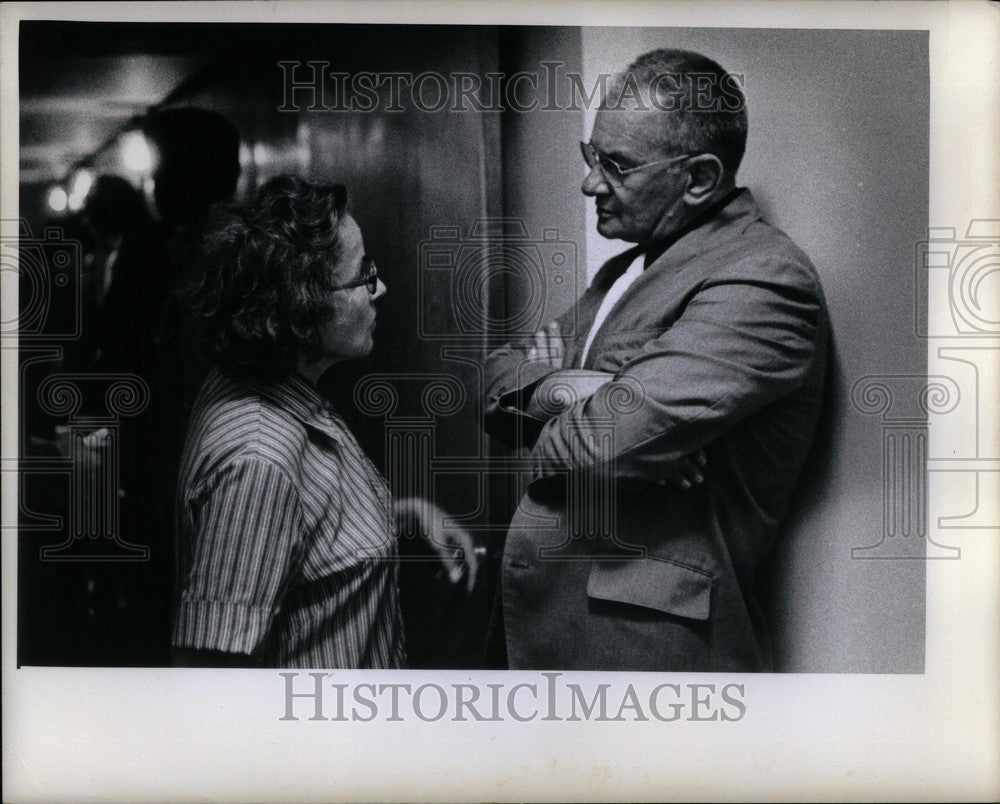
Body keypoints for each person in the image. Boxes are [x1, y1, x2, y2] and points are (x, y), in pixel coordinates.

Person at [484, 48, 830, 671]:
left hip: (652, 657)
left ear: (698, 178)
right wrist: (562, 391)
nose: (591, 183)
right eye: (592, 157)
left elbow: (607, 443)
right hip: (571, 636)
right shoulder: (627, 267)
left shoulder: (765, 279)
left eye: (615, 166)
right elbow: (497, 375)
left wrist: (592, 409)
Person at [172, 176, 474, 668]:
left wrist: (404, 514)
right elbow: (212, 679)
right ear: (303, 302)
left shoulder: (273, 384)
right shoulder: (261, 459)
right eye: (363, 274)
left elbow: (296, 532)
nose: (381, 288)